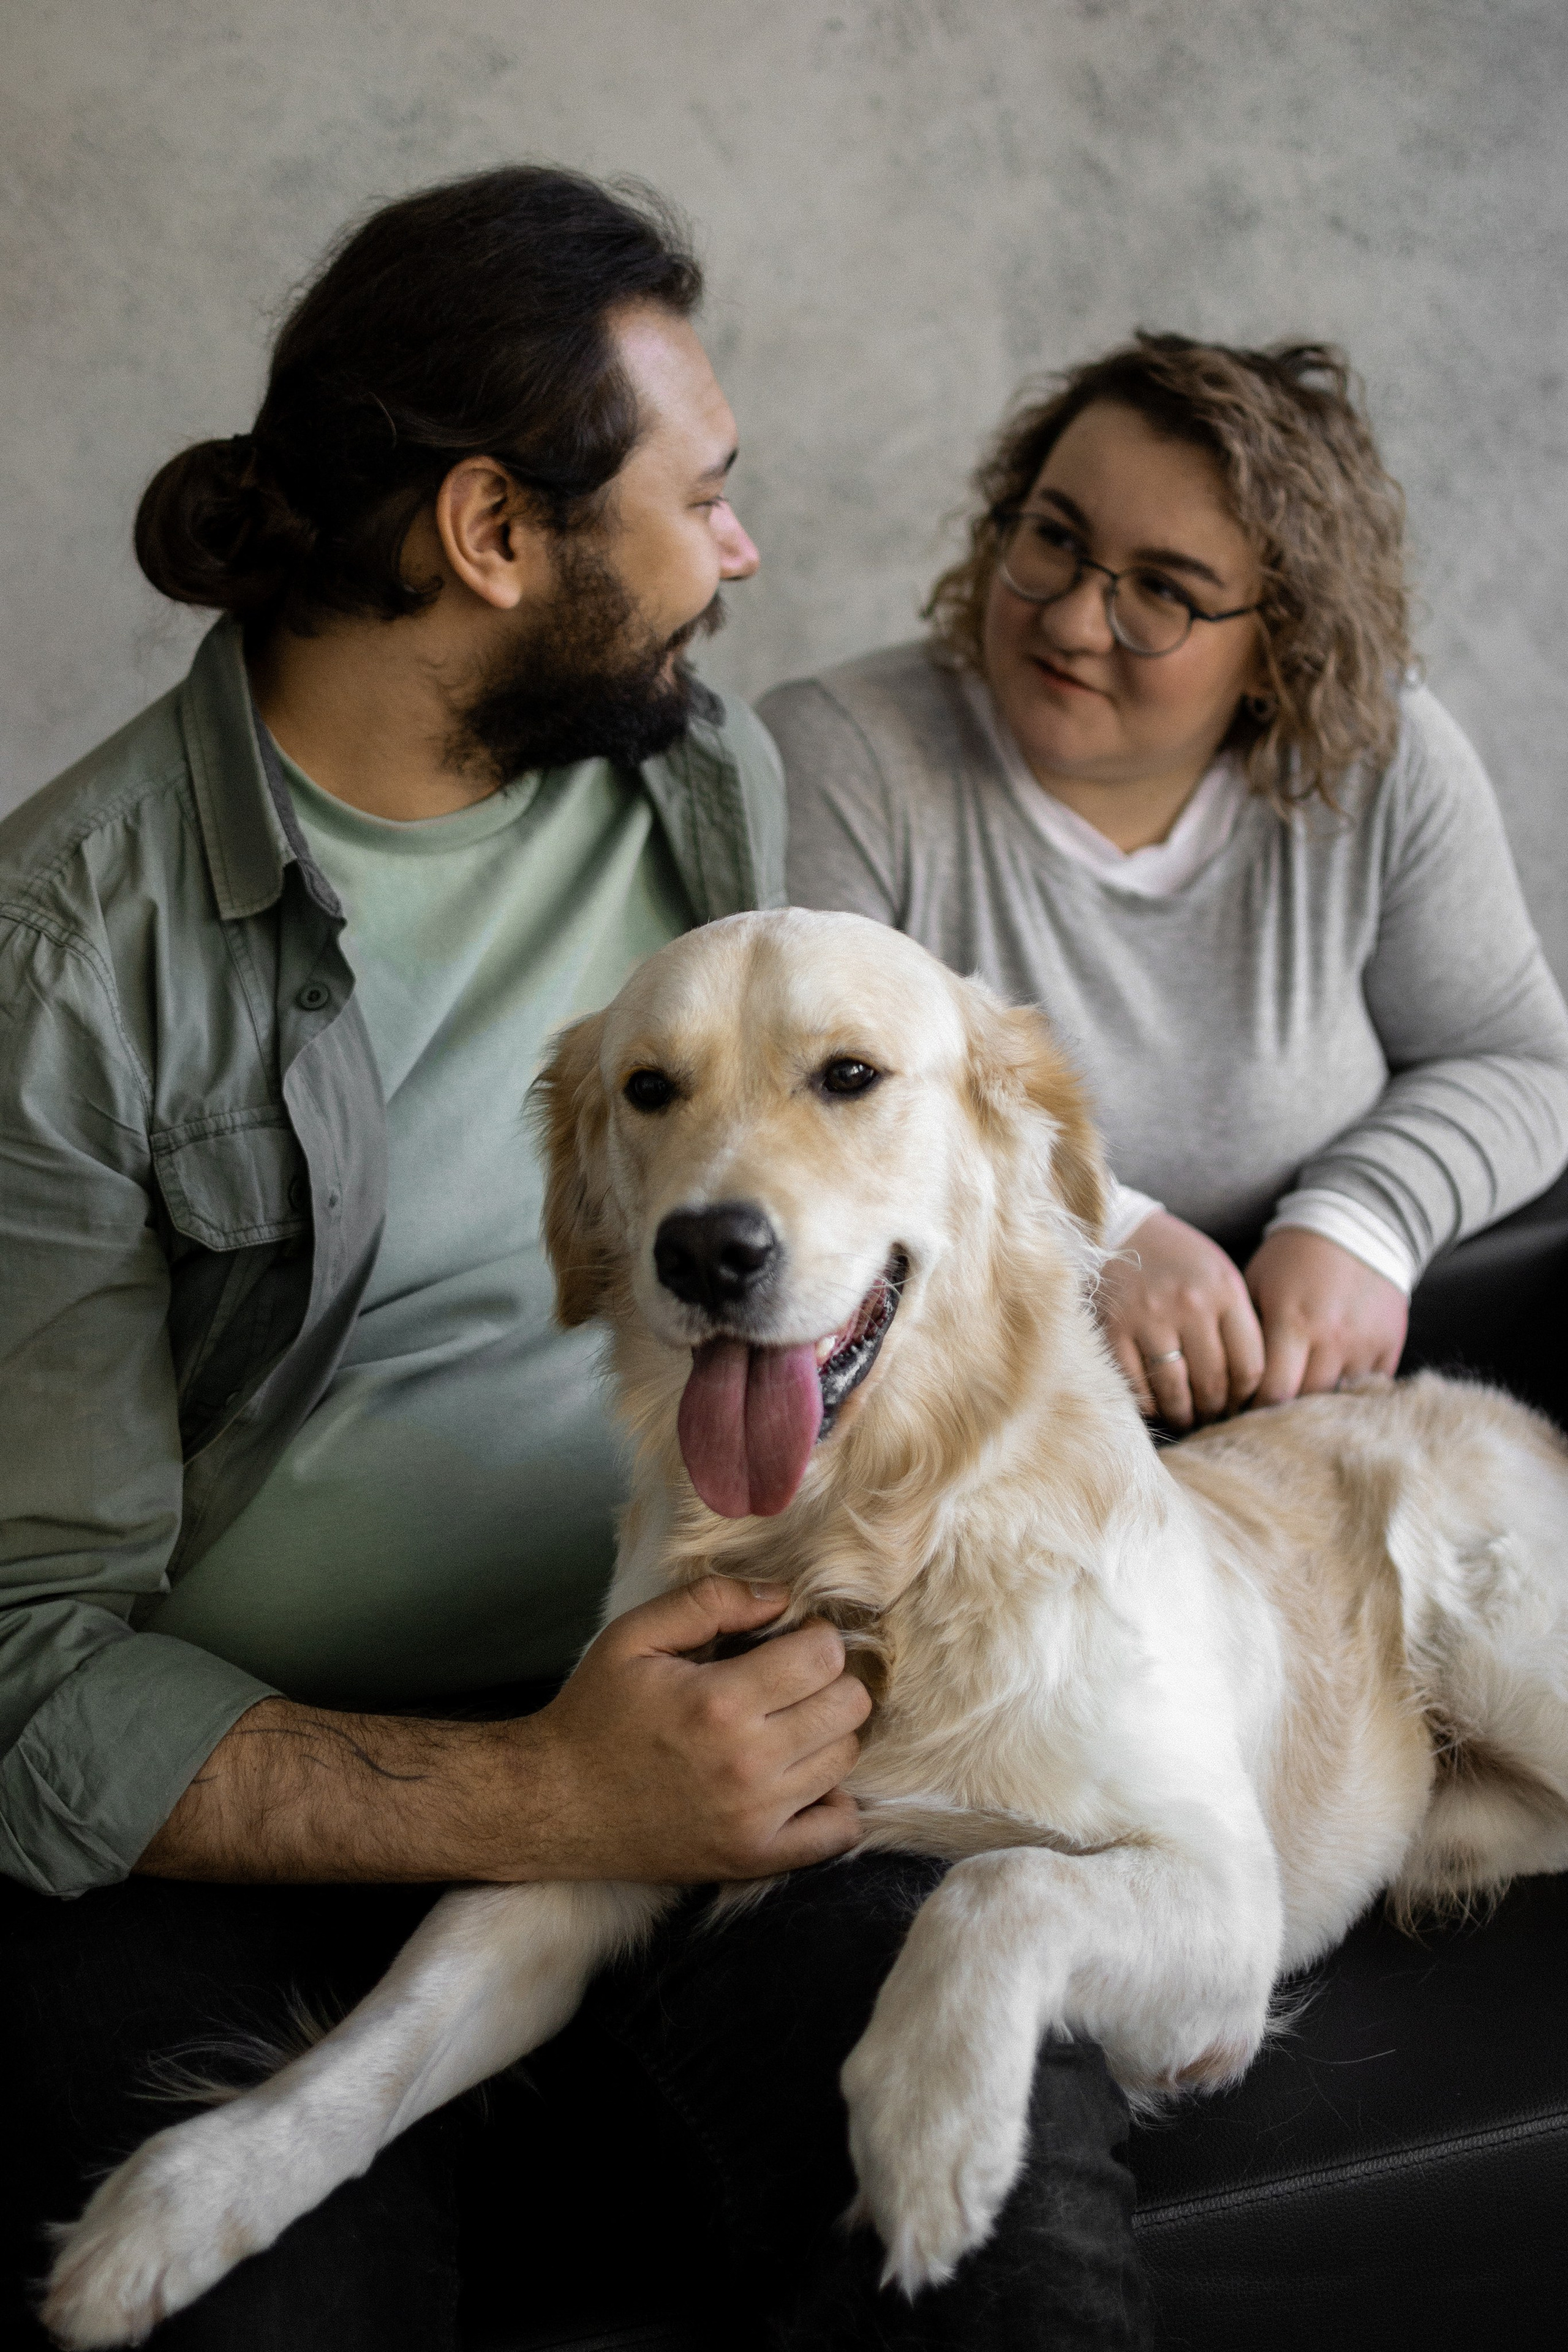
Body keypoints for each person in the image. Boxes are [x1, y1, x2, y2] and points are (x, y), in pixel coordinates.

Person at [0, 171, 1151, 2349]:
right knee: (247, 2313)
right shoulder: (63, 971)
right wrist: (550, 1791)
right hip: (257, 1801)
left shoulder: (690, 776)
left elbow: (888, 1155)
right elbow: (24, 1665)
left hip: (727, 1688)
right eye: (701, 499)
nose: (740, 554)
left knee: (999, 2248)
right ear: (494, 537)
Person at [767, 334, 1568, 1431]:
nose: (1071, 618)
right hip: (983, 1412)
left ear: (1280, 643)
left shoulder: (1385, 759)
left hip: (1318, 1397)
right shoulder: (846, 758)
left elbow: (1516, 1057)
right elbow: (801, 1106)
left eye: (1164, 592)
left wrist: (1361, 1224)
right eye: (1054, 539)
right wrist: (1102, 1234)